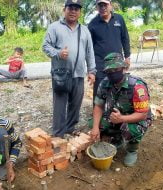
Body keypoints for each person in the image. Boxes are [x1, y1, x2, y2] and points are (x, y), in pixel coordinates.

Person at [42, 0, 96, 137]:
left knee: (76, 103)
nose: (73, 11)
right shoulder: (54, 27)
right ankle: (58, 134)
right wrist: (58, 53)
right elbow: (46, 46)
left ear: (80, 12)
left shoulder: (84, 30)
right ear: (64, 10)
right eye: (70, 8)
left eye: (76, 9)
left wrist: (91, 71)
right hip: (61, 74)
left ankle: (70, 127)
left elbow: (90, 52)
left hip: (78, 74)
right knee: (59, 105)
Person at [91, 53, 151, 167]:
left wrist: (122, 118)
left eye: (116, 69)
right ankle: (117, 139)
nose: (113, 73)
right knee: (95, 124)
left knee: (131, 129)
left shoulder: (137, 86)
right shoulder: (104, 83)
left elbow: (143, 114)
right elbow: (98, 106)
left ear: (123, 68)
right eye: (109, 71)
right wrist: (95, 127)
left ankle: (132, 150)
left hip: (135, 118)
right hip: (115, 116)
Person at [88, 0, 130, 99]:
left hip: (117, 63)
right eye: (100, 5)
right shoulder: (92, 24)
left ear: (110, 5)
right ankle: (97, 113)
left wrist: (127, 56)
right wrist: (91, 69)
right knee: (99, 90)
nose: (103, 8)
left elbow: (125, 38)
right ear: (97, 7)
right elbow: (89, 48)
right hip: (100, 64)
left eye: (105, 5)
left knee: (117, 87)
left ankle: (114, 112)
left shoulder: (119, 19)